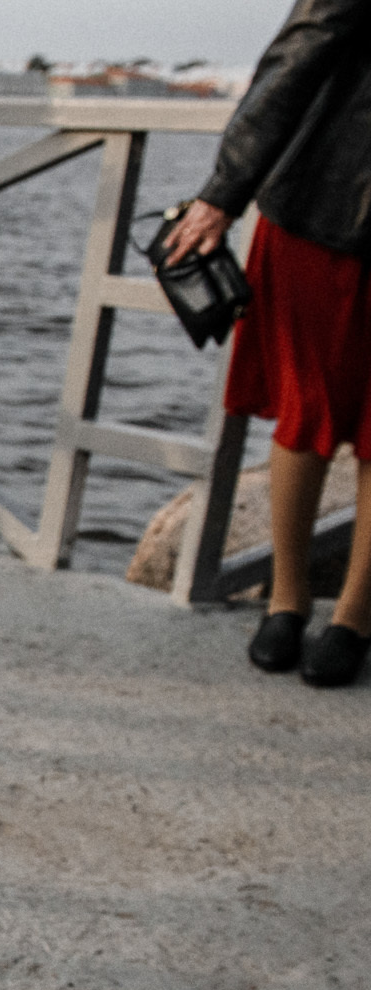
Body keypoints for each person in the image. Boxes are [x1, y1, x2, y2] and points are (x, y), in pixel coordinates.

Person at [165, 0, 371, 689]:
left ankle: (332, 614)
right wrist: (224, 191)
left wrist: (226, 191)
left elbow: (297, 53)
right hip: (325, 204)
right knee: (306, 412)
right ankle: (306, 607)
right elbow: (300, 55)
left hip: (321, 201)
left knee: (311, 415)